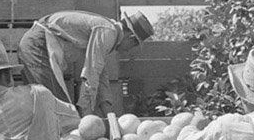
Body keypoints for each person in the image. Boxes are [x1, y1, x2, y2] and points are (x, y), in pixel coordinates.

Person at [18, 9, 154, 117]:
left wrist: (109, 114)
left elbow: (100, 76)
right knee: (59, 110)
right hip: (38, 46)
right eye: (133, 46)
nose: (128, 51)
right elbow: (91, 73)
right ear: (131, 38)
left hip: (36, 46)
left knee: (52, 109)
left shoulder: (108, 29)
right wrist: (86, 113)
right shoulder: (108, 32)